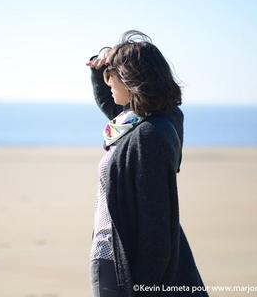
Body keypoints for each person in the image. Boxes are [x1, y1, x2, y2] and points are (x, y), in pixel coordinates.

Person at [85, 30, 209, 297]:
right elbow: (112, 106)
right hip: (115, 254)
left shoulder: (148, 136)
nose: (108, 83)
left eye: (111, 75)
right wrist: (100, 69)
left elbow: (156, 224)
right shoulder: (146, 122)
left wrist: (144, 287)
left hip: (122, 262)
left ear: (131, 80)